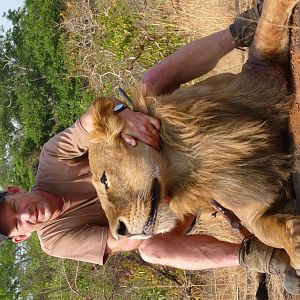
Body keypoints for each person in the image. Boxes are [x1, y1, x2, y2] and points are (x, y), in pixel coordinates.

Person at [0, 1, 299, 294]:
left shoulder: (52, 158)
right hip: (166, 206)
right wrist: (155, 211)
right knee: (151, 250)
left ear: (15, 191)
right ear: (21, 237)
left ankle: (244, 27)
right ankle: (266, 258)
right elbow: (122, 240)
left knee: (150, 83)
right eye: (17, 224)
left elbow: (94, 118)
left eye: (15, 208)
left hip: (155, 148)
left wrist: (122, 115)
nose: (26, 215)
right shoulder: (54, 240)